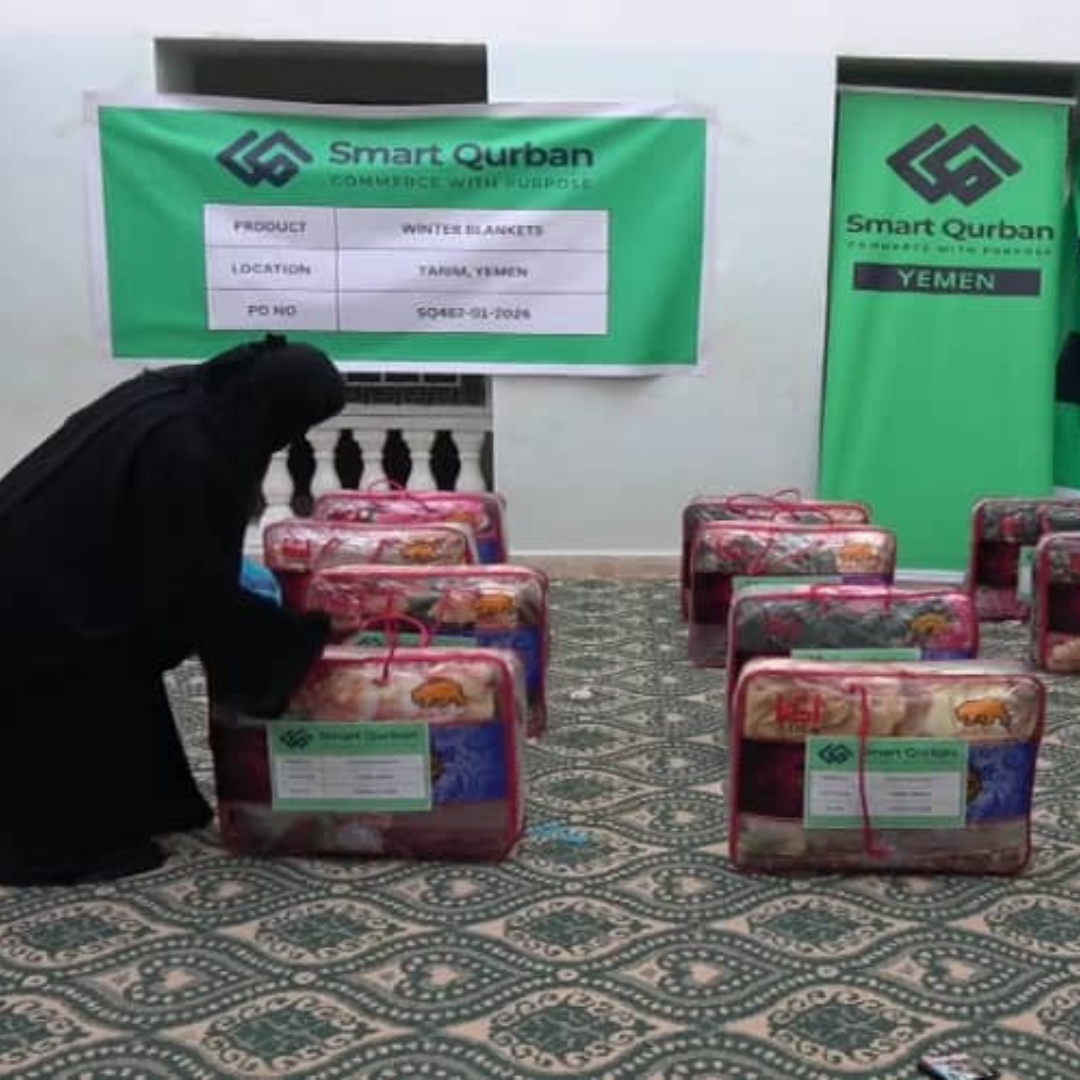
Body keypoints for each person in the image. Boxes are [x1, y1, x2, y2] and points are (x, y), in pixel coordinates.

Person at [0, 335, 346, 885]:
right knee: (71, 698)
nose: (294, 436)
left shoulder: (192, 393)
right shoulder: (193, 449)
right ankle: (61, 844)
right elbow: (197, 589)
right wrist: (295, 637)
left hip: (55, 554)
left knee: (123, 667)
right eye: (298, 421)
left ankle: (152, 805)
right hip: (40, 588)